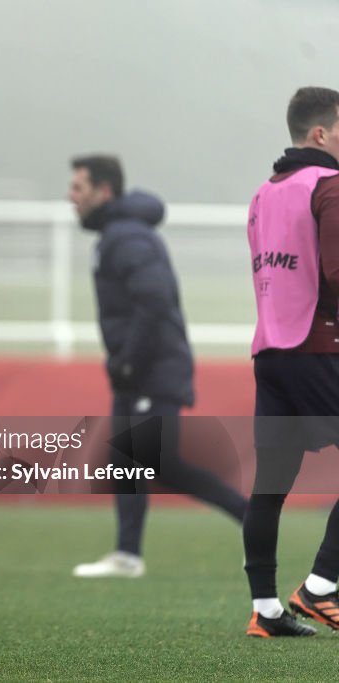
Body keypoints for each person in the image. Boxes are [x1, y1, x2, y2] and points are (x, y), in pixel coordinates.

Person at [67, 155, 248, 579]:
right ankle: (128, 554)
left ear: (104, 191)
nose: (70, 196)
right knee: (142, 462)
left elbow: (154, 302)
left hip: (149, 370)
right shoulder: (119, 234)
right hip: (142, 369)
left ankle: (250, 520)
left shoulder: (127, 237)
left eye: (79, 188)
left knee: (140, 460)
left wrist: (128, 361)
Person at [242, 86, 339, 638]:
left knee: (271, 487)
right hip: (317, 348)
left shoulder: (263, 193)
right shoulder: (329, 186)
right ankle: (320, 587)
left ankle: (267, 610)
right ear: (320, 133)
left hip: (270, 352)